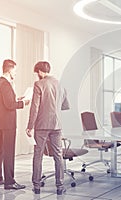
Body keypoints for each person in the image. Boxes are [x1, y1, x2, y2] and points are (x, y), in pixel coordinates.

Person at [26, 61, 70, 195]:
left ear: (40, 71)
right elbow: (65, 105)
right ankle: (60, 186)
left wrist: (29, 126)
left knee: (38, 155)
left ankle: (37, 186)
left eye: (37, 73)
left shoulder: (39, 84)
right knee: (58, 155)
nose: (37, 75)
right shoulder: (60, 84)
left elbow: (35, 107)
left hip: (41, 126)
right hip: (56, 125)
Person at [0, 59, 30, 190]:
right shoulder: (6, 84)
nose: (15, 73)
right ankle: (10, 182)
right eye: (15, 70)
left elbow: (6, 101)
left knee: (0, 151)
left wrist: (17, 99)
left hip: (0, 122)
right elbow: (9, 105)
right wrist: (23, 103)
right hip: (8, 124)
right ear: (9, 70)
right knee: (8, 152)